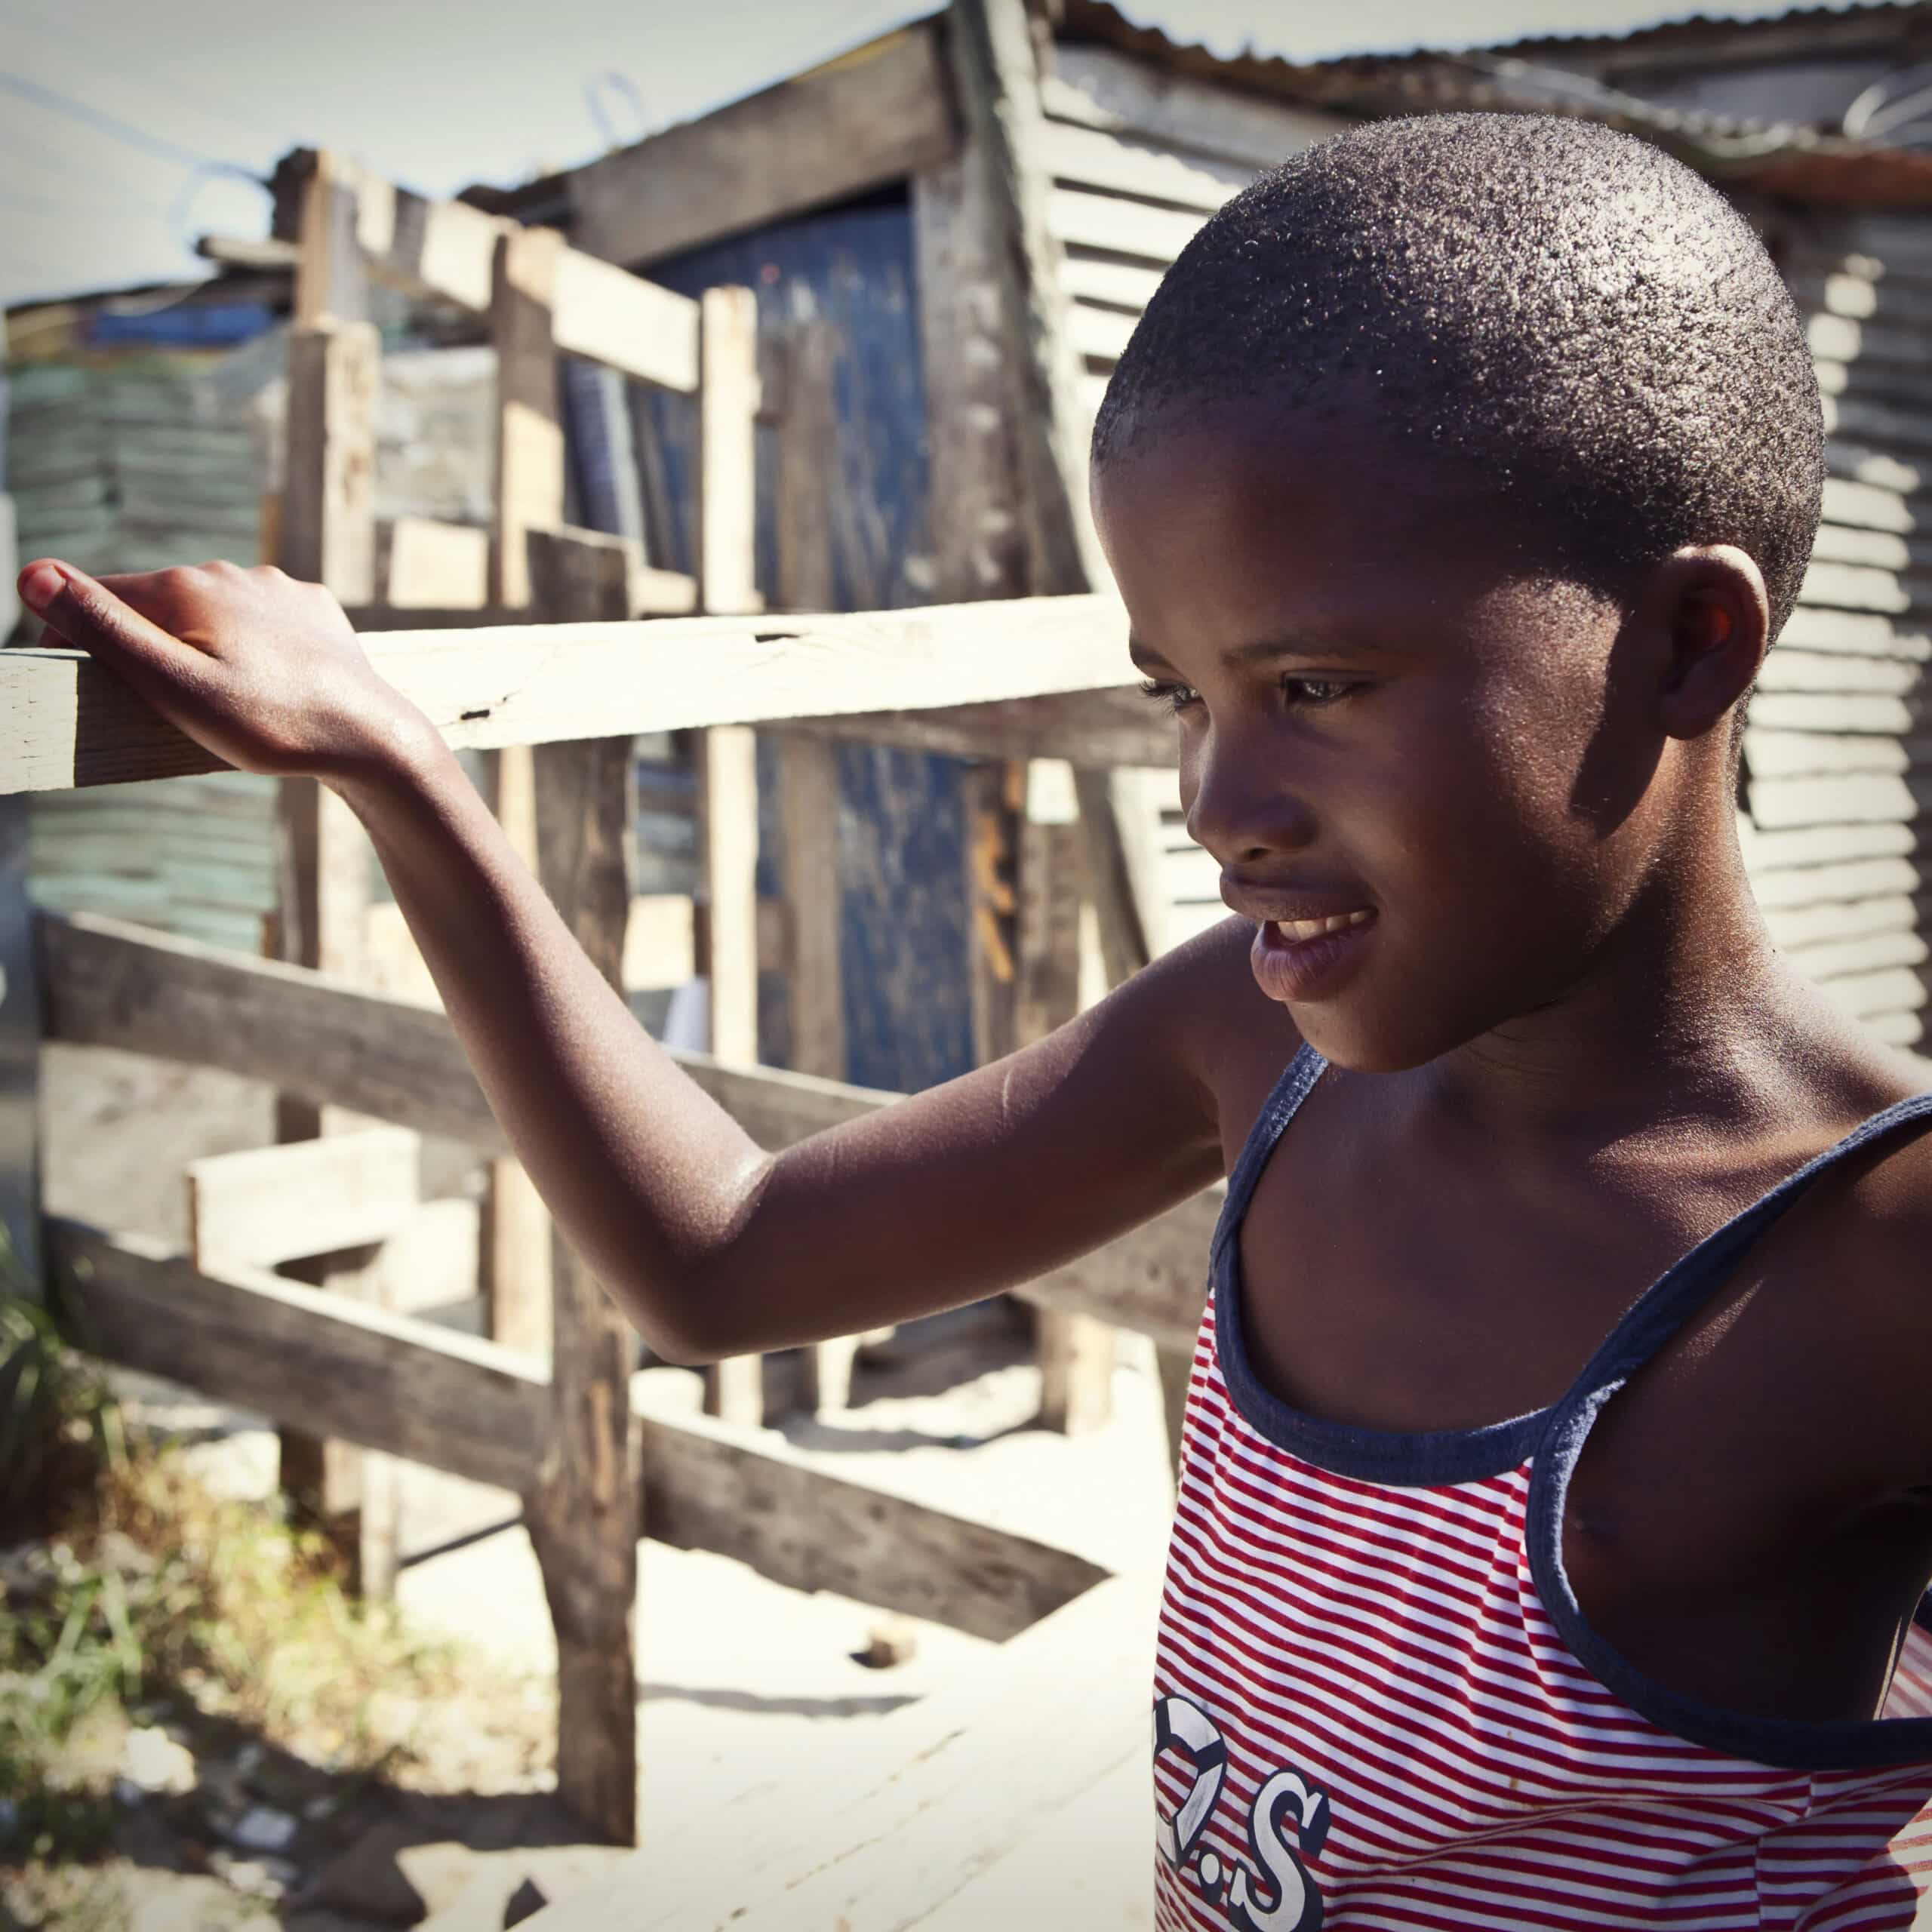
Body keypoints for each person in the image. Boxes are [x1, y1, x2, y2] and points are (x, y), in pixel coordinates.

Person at [20, 109, 1932, 1927]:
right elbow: (727, 1255)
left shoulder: (1868, 1261)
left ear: (1688, 643)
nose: (1212, 793)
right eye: (1176, 693)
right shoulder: (1253, 1055)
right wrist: (401, 773)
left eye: (1318, 682)